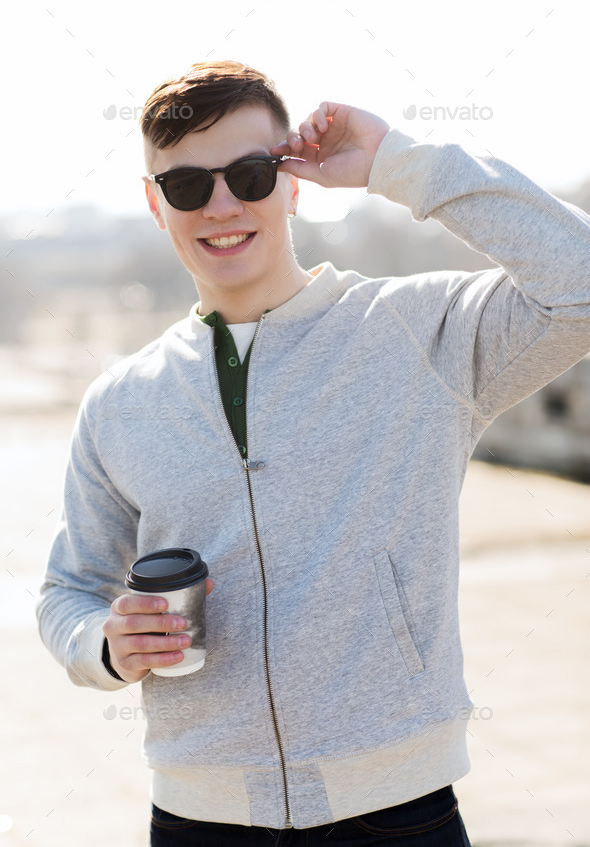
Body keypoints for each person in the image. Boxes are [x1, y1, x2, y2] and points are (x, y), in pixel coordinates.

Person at [36, 60, 590, 846]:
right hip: (200, 817)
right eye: (188, 185)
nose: (222, 205)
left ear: (293, 184)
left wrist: (400, 161)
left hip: (399, 811)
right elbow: (68, 589)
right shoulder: (120, 401)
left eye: (251, 174)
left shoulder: (419, 332)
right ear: (156, 205)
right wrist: (103, 644)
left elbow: (581, 283)